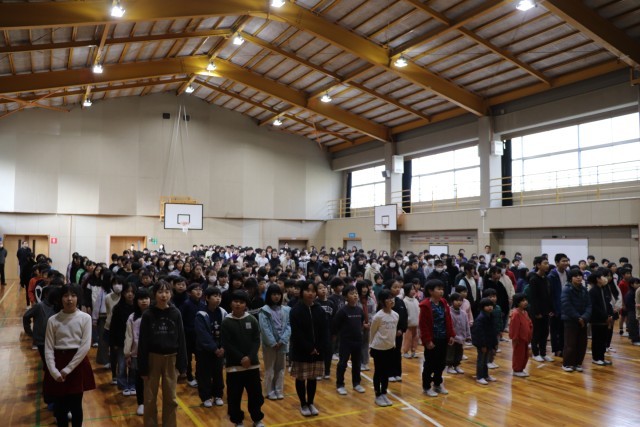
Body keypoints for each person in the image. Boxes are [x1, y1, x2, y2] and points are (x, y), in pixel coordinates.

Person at [43, 284, 96, 427]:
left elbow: (85, 346)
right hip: (57, 362)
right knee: (60, 407)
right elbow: (48, 348)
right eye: (66, 295)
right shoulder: (53, 320)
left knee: (76, 405)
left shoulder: (85, 318)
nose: (69, 299)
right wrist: (53, 371)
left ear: (78, 298)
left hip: (77, 363)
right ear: (60, 299)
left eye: (73, 295)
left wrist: (68, 369)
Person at [138, 280, 188, 427]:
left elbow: (181, 339)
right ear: (154, 294)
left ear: (171, 294)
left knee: (171, 397)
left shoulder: (176, 313)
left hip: (171, 358)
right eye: (160, 292)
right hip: (152, 358)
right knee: (149, 398)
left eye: (167, 292)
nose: (164, 295)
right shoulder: (148, 314)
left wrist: (182, 364)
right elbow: (142, 342)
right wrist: (142, 367)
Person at [221, 290, 265, 427]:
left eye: (241, 302)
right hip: (234, 366)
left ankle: (257, 419)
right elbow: (227, 344)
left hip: (252, 365)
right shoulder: (226, 322)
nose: (238, 304)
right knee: (234, 396)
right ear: (231, 303)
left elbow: (256, 340)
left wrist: (250, 357)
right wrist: (241, 358)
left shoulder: (252, 319)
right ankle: (237, 420)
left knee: (256, 395)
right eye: (235, 301)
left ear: (246, 304)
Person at [290, 281, 329, 417]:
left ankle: (310, 402)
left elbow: (324, 331)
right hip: (301, 351)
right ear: (302, 292)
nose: (310, 293)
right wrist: (309, 347)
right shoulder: (296, 310)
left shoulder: (319, 310)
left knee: (312, 378)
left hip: (317, 351)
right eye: (307, 290)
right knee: (301, 378)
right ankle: (303, 404)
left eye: (313, 291)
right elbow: (297, 333)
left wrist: (318, 347)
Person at [419, 279, 455, 396]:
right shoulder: (425, 305)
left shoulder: (444, 302)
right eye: (438, 289)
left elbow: (448, 319)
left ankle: (437, 384)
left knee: (441, 363)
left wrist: (451, 334)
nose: (441, 291)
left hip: (443, 338)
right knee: (430, 364)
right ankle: (426, 386)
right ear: (430, 291)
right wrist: (427, 340)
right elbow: (423, 325)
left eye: (442, 289)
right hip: (432, 339)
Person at [24, 285, 56, 409]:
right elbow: (26, 316)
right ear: (47, 295)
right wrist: (30, 332)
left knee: (51, 368)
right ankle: (49, 397)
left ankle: (53, 395)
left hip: (54, 342)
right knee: (49, 368)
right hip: (42, 341)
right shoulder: (39, 306)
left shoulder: (57, 306)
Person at [259, 284, 291, 401]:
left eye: (278, 294)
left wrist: (282, 340)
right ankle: (269, 391)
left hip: (282, 344)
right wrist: (273, 342)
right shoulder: (264, 311)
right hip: (270, 345)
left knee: (281, 369)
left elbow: (289, 326)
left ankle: (279, 390)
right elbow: (265, 329)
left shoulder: (286, 310)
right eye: (273, 294)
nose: (276, 297)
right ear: (269, 296)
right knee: (270, 368)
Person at [332, 285, 365, 396]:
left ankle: (356, 383)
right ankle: (340, 384)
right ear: (346, 297)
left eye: (356, 293)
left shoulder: (359, 310)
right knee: (342, 363)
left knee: (357, 363)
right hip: (345, 342)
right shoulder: (342, 311)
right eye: (352, 293)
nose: (355, 295)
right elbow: (335, 325)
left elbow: (361, 323)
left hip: (358, 341)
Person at [369, 289, 399, 407]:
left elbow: (393, 332)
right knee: (379, 371)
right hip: (378, 348)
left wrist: (393, 344)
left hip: (390, 348)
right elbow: (372, 332)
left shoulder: (395, 315)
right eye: (388, 298)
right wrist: (371, 346)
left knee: (386, 372)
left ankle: (384, 393)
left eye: (392, 298)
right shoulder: (378, 316)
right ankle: (378, 395)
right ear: (382, 301)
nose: (391, 300)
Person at [124, 288, 151, 417]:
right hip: (137, 353)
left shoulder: (154, 314)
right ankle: (141, 403)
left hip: (152, 353)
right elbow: (129, 336)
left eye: (146, 298)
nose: (144, 301)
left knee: (151, 379)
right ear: (136, 301)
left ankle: (150, 402)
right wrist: (127, 353)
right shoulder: (132, 317)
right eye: (141, 299)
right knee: (139, 379)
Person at [560, 268, 591, 372]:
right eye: (575, 276)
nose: (578, 277)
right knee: (570, 343)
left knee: (582, 343)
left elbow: (589, 305)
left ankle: (578, 363)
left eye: (580, 275)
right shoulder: (566, 289)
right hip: (570, 320)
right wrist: (578, 317)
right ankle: (567, 364)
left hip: (583, 320)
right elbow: (566, 305)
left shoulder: (584, 289)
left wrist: (584, 317)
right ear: (571, 278)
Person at [109, 282, 136, 395]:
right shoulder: (118, 308)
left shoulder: (138, 307)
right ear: (123, 293)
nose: (130, 294)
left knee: (134, 365)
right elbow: (113, 326)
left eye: (132, 292)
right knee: (122, 364)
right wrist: (114, 342)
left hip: (135, 341)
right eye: (127, 292)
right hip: (120, 340)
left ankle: (133, 384)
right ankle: (123, 384)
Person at [527, 256, 554, 363]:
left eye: (548, 263)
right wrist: (537, 312)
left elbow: (548, 295)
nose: (547, 265)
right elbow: (533, 298)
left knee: (545, 332)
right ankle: (535, 353)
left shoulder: (546, 278)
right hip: (537, 311)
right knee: (536, 333)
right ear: (538, 265)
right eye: (545, 263)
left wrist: (550, 309)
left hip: (546, 310)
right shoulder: (534, 279)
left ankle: (543, 353)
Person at [588, 271, 613, 366]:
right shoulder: (593, 291)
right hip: (597, 320)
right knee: (597, 339)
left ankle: (601, 357)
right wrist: (605, 316)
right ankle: (596, 358)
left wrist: (610, 315)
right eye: (602, 276)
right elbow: (594, 307)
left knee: (603, 339)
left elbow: (608, 303)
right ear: (598, 279)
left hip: (605, 319)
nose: (604, 278)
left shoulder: (603, 289)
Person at [471, 298, 498, 385]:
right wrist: (482, 345)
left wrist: (494, 343)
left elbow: (493, 331)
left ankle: (485, 375)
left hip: (489, 342)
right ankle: (479, 377)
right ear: (482, 307)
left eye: (491, 305)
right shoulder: (481, 318)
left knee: (485, 360)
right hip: (482, 343)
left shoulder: (491, 316)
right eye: (487, 305)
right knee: (481, 360)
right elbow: (479, 333)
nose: (490, 307)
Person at [547, 253, 569, 357]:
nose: (566, 263)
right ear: (557, 263)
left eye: (567, 261)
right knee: (555, 330)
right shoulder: (551, 276)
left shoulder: (568, 274)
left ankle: (563, 347)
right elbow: (549, 294)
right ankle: (556, 349)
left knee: (564, 329)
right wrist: (551, 309)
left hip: (566, 306)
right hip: (555, 307)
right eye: (563, 261)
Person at [387, 279, 408, 383]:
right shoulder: (386, 301)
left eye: (399, 287)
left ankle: (397, 373)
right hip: (389, 332)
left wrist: (401, 329)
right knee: (389, 353)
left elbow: (404, 316)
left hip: (399, 333)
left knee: (397, 352)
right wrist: (392, 330)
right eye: (394, 287)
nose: (397, 289)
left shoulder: (400, 301)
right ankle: (389, 373)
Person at [446, 292, 470, 375]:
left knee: (459, 352)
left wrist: (468, 335)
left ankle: (456, 365)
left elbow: (467, 325)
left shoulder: (463, 313)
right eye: (456, 300)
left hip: (461, 337)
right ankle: (449, 366)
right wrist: (450, 336)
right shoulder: (449, 312)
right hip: (452, 338)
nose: (459, 302)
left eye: (460, 301)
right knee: (450, 352)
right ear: (452, 301)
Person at [509, 293, 533, 377]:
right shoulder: (516, 313)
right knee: (519, 354)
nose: (525, 302)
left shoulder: (525, 312)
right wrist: (515, 338)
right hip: (519, 339)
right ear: (517, 302)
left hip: (526, 338)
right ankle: (516, 369)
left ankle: (521, 369)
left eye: (526, 300)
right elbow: (514, 327)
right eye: (523, 301)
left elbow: (529, 323)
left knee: (525, 355)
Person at [402, 282, 420, 359]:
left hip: (416, 323)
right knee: (408, 338)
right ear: (407, 291)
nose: (413, 291)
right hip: (408, 324)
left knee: (415, 338)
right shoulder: (405, 301)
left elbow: (419, 310)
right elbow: (404, 313)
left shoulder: (416, 300)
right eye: (411, 289)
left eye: (414, 289)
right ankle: (405, 352)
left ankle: (413, 351)